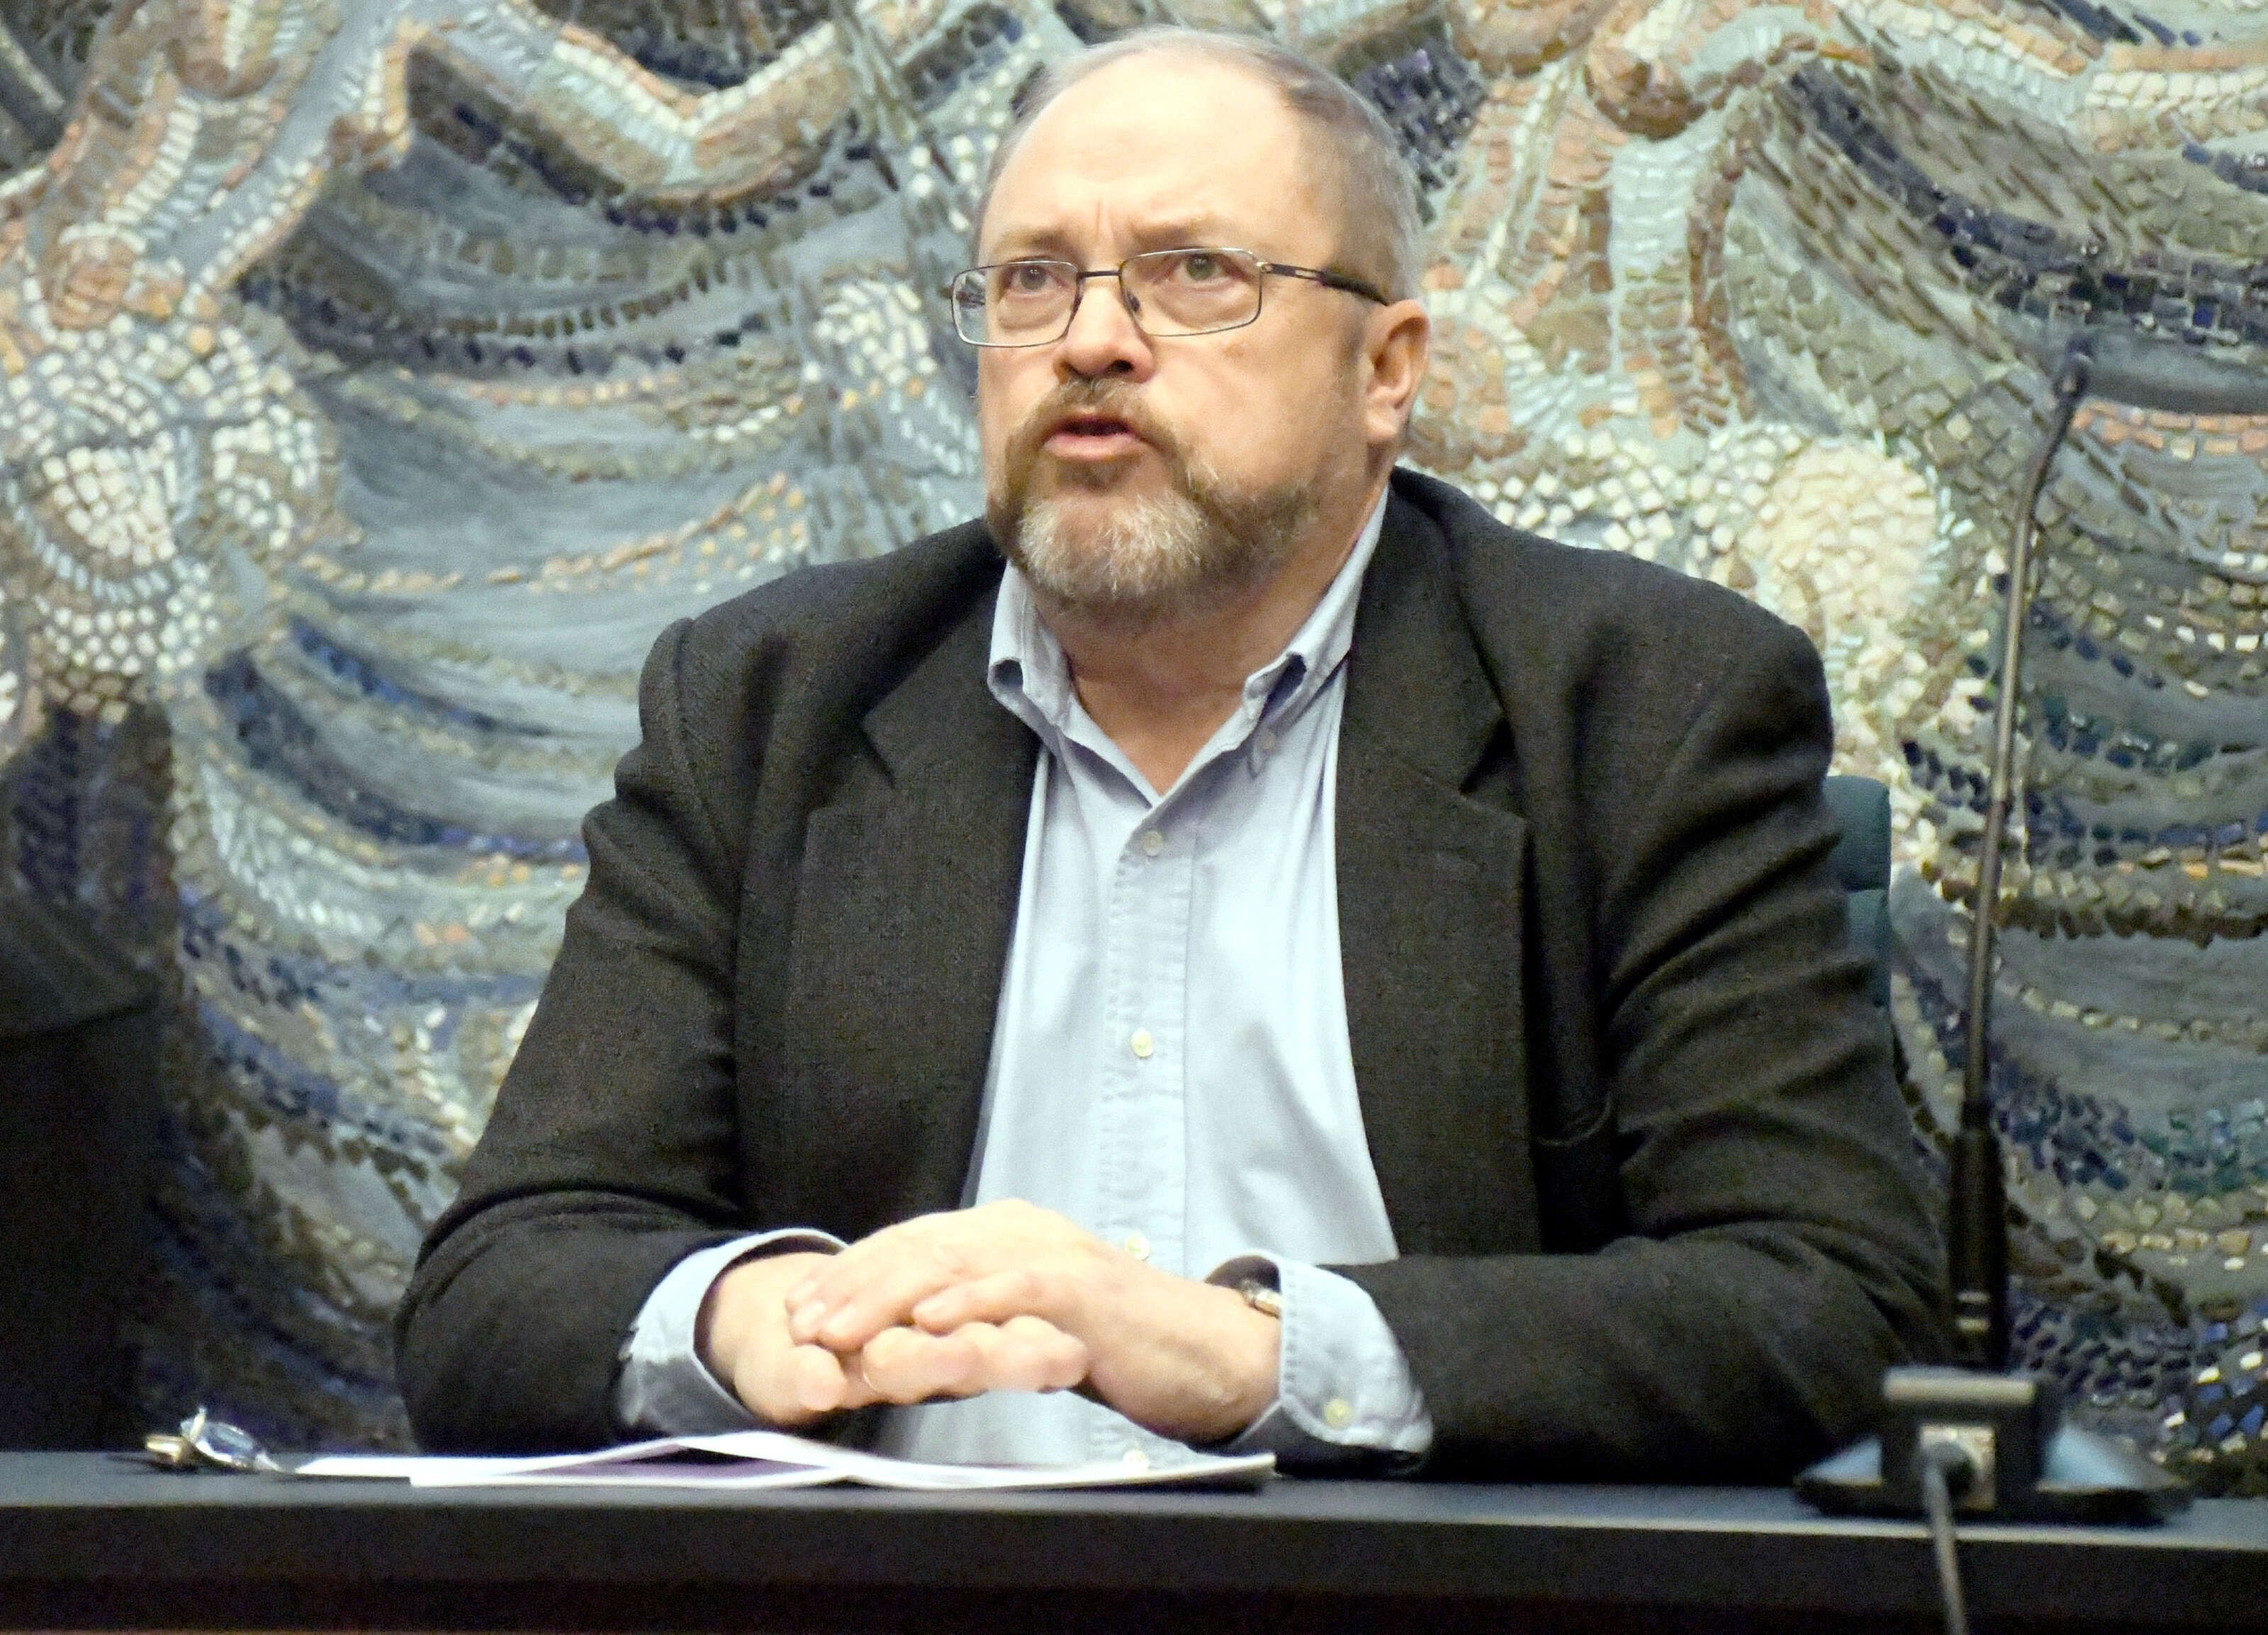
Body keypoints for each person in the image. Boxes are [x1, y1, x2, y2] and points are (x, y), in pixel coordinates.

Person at [393, 28, 1946, 1480]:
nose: (1089, 342)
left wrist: (1251, 1353)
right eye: (1030, 281)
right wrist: (759, 1320)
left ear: (1386, 370)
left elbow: (1828, 1299)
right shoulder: (769, 707)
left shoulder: (1636, 708)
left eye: (1194, 274)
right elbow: (497, 1287)